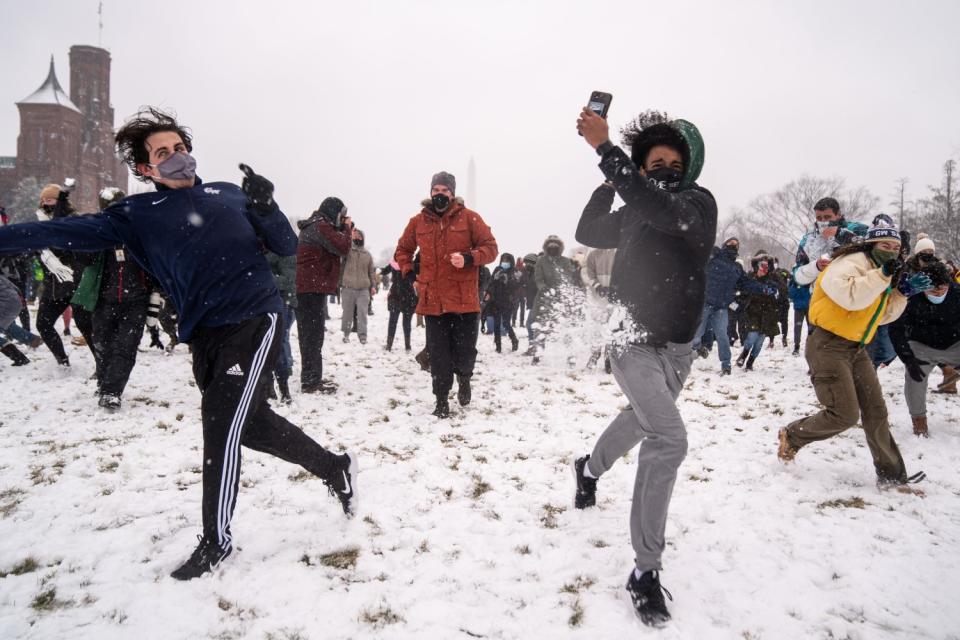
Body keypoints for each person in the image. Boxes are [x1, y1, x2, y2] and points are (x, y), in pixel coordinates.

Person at [0, 107, 357, 580]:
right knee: (247, 426)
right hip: (203, 332)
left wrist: (266, 205)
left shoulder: (228, 194)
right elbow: (61, 229)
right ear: (145, 169)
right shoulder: (136, 214)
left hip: (254, 316)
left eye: (181, 149)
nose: (177, 159)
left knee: (219, 423)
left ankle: (216, 541)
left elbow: (286, 245)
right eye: (163, 153)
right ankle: (335, 468)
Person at [573, 108, 716, 626]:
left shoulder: (697, 204)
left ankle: (587, 469)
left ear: (688, 168)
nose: (664, 168)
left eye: (673, 162)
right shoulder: (634, 209)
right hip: (630, 339)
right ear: (641, 167)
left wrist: (611, 158)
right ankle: (645, 571)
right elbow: (588, 228)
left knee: (641, 422)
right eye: (653, 162)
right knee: (669, 439)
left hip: (677, 348)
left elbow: (666, 212)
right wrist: (609, 180)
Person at [777, 218, 927, 486]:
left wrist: (901, 292)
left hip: (857, 348)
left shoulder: (878, 269)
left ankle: (892, 476)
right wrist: (882, 276)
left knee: (876, 411)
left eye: (896, 246)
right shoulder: (850, 264)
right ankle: (793, 435)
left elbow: (879, 316)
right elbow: (851, 297)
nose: (891, 250)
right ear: (870, 243)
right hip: (828, 345)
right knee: (844, 414)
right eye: (885, 244)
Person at [395, 171, 498, 418]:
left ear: (452, 193)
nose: (440, 195)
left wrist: (469, 258)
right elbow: (403, 250)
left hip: (464, 301)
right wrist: (410, 276)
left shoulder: (470, 219)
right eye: (436, 190)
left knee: (464, 353)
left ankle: (464, 378)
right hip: (433, 301)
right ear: (430, 192)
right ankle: (441, 399)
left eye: (445, 191)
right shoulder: (418, 222)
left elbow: (491, 248)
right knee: (439, 355)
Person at [72, 187, 155, 410]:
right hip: (103, 298)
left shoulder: (138, 233)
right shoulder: (98, 232)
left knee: (125, 347)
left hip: (136, 299)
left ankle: (112, 391)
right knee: (102, 343)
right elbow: (82, 260)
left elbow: (155, 263)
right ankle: (105, 382)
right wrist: (92, 237)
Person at [889, 260, 959, 436]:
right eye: (932, 289)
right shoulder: (911, 298)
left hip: (955, 343)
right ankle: (919, 421)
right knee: (915, 379)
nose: (937, 292)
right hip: (921, 345)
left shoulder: (957, 294)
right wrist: (907, 358)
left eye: (942, 288)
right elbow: (896, 329)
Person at [33, 182, 96, 366]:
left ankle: (102, 364)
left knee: (85, 325)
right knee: (43, 324)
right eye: (43, 199)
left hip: (76, 281)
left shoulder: (73, 219)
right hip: (53, 284)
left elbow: (71, 248)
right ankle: (62, 361)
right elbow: (41, 248)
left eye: (50, 199)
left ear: (59, 201)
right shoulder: (40, 222)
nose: (46, 202)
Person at [295, 197, 352, 394]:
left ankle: (311, 378)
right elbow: (343, 247)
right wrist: (346, 228)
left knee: (310, 335)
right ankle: (311, 382)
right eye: (341, 215)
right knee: (313, 336)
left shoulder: (314, 225)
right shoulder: (321, 226)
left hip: (308, 288)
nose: (343, 218)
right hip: (310, 289)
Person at [692, 238, 769, 374]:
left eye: (736, 244)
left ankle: (726, 366)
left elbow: (747, 283)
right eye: (731, 243)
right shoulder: (714, 256)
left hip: (721, 308)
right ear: (724, 245)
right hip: (705, 302)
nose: (734, 245)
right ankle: (697, 349)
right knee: (697, 333)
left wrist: (763, 288)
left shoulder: (736, 268)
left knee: (723, 336)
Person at [792, 197, 867, 287]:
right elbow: (797, 277)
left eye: (827, 217)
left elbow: (871, 247)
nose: (823, 221)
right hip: (821, 296)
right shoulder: (808, 240)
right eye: (819, 218)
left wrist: (840, 234)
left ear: (838, 215)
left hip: (855, 289)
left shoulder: (857, 229)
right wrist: (816, 267)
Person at [528, 235, 580, 364]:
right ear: (546, 247)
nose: (552, 248)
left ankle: (570, 356)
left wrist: (562, 291)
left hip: (561, 298)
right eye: (550, 246)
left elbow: (568, 278)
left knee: (566, 326)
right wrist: (544, 289)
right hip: (543, 298)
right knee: (540, 327)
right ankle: (537, 354)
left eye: (555, 246)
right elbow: (538, 278)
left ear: (559, 247)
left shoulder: (565, 261)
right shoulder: (541, 261)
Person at [735, 251, 781, 371]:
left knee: (759, 341)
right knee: (752, 336)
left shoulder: (773, 278)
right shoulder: (750, 277)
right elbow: (743, 291)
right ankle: (742, 356)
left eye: (766, 266)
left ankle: (750, 363)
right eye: (762, 265)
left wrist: (771, 290)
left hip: (768, 313)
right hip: (753, 312)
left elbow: (779, 291)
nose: (763, 268)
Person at [266, 247, 297, 404]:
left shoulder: (284, 250)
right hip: (262, 301)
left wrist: (263, 277)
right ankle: (268, 386)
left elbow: (289, 279)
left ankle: (284, 388)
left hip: (282, 302)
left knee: (278, 343)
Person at [581, 247, 616, 372]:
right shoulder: (593, 254)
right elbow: (586, 272)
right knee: (597, 327)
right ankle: (595, 354)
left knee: (612, 328)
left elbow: (626, 272)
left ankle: (609, 359)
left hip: (614, 298)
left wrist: (615, 287)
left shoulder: (619, 252)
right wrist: (597, 286)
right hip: (597, 297)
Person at [340, 228, 376, 344]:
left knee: (362, 313)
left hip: (363, 289)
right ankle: (346, 334)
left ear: (363, 238)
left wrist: (373, 286)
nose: (357, 238)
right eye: (355, 236)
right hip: (348, 288)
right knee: (347, 313)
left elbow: (371, 272)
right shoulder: (347, 251)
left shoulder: (368, 255)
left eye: (360, 236)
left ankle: (363, 336)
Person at [483, 253, 521, 353]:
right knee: (496, 323)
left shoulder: (514, 271)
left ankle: (514, 340)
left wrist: (509, 282)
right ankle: (498, 345)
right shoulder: (497, 269)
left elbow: (517, 287)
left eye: (507, 261)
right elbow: (491, 284)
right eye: (503, 260)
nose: (505, 262)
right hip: (496, 301)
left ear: (511, 261)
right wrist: (495, 280)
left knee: (506, 323)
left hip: (508, 301)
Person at [380, 259, 417, 351]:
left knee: (392, 322)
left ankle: (389, 345)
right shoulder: (411, 265)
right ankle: (407, 346)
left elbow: (384, 271)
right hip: (409, 296)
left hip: (395, 295)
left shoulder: (393, 264)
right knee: (407, 323)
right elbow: (415, 278)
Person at [787, 269, 812, 356]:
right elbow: (790, 294)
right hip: (799, 308)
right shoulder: (795, 280)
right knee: (798, 328)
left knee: (811, 328)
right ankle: (796, 346)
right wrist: (795, 285)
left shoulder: (811, 279)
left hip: (810, 307)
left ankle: (811, 346)